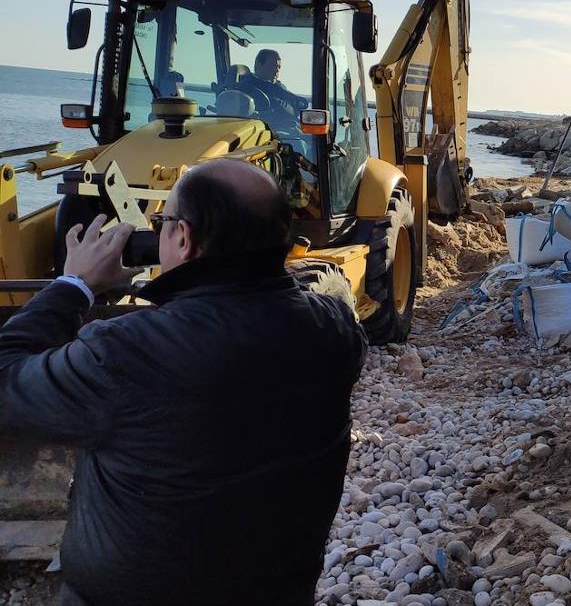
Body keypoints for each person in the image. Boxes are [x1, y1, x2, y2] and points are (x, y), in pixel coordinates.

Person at [0, 160, 367, 606]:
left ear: (183, 238)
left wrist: (74, 285)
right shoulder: (335, 329)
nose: (159, 232)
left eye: (163, 222)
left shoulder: (126, 352)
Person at [239, 49, 308, 119]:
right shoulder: (247, 86)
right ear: (259, 65)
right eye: (273, 66)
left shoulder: (279, 87)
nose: (277, 70)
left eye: (279, 67)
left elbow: (299, 105)